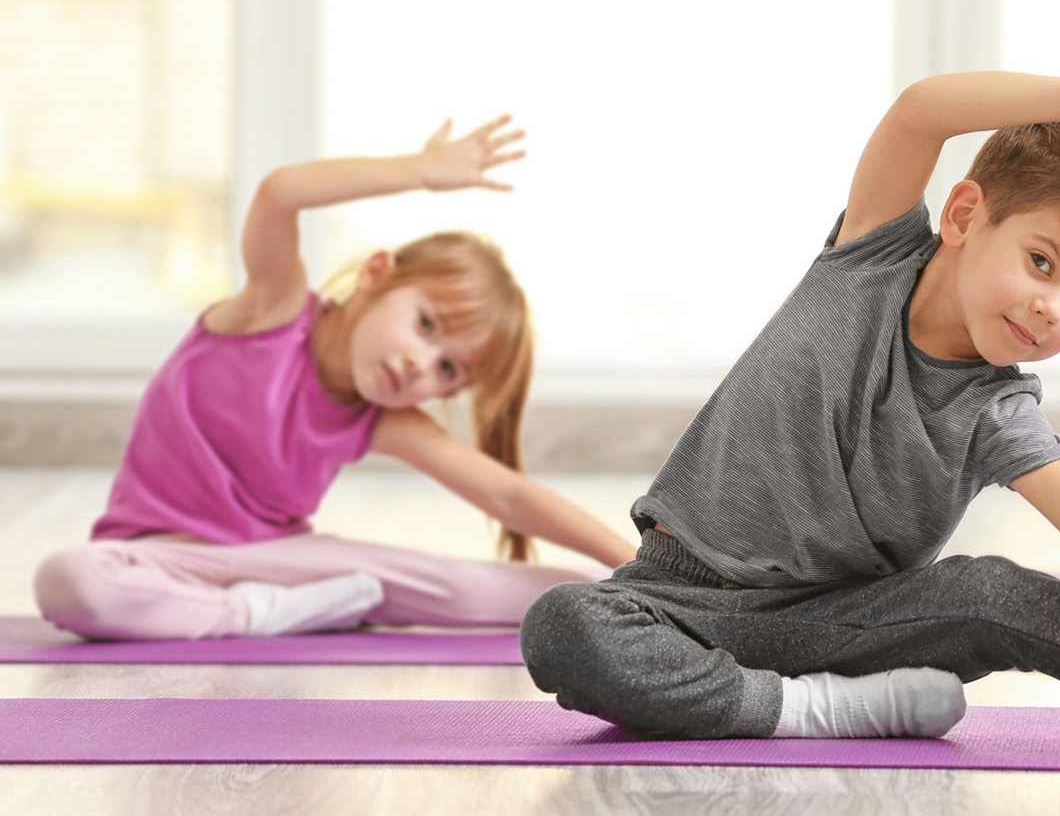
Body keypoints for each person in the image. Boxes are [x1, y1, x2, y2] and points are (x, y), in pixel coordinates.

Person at [519, 71, 1060, 755]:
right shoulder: (869, 256)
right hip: (674, 599)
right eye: (1041, 262)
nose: (1054, 306)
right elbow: (920, 111)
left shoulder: (997, 408)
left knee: (991, 592)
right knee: (564, 625)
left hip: (836, 628)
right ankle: (824, 712)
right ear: (961, 217)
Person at [34, 117, 638, 641]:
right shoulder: (271, 311)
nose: (418, 366)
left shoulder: (383, 419)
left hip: (284, 561)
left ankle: (651, 601)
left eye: (447, 369)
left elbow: (508, 496)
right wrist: (422, 170)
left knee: (477, 587)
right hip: (153, 557)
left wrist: (636, 565)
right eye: (425, 325)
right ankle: (253, 615)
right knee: (70, 581)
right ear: (376, 273)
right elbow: (279, 194)